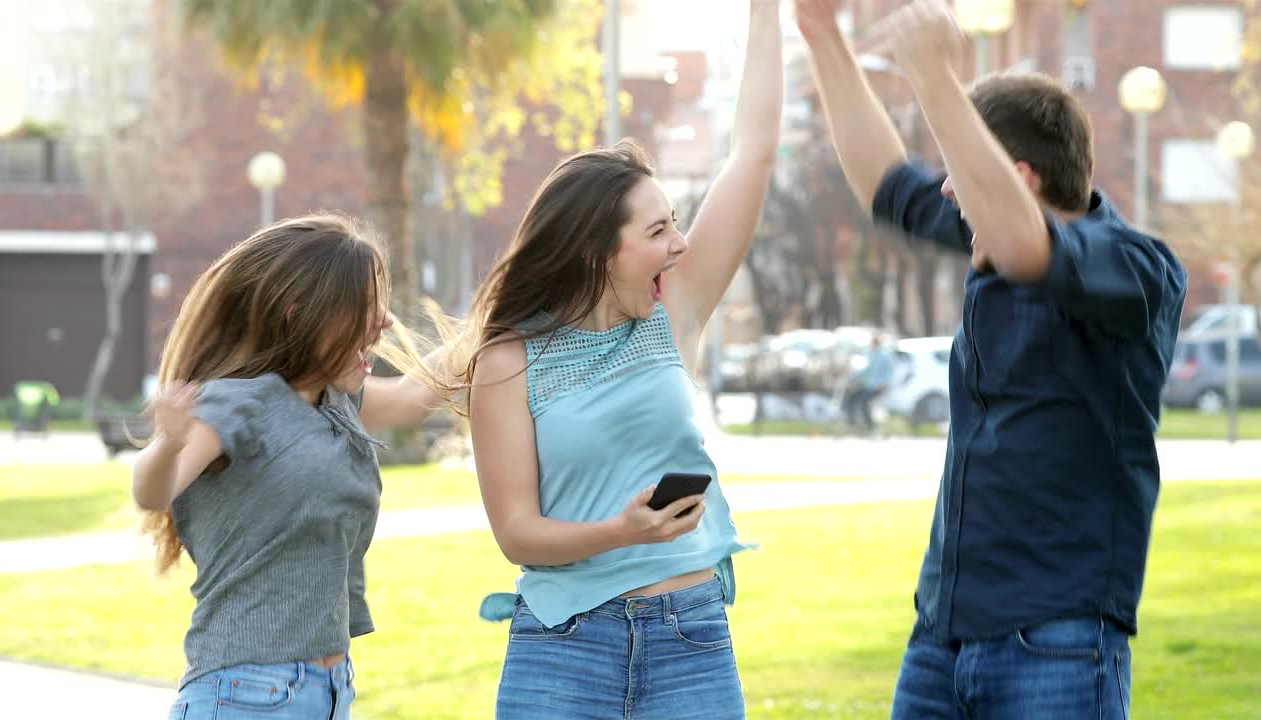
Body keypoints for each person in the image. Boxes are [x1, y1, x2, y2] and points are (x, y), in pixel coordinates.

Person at [796, 0, 1187, 717]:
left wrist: (935, 75)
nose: (946, 191)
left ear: (1022, 178)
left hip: (1058, 641)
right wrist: (822, 34)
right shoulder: (992, 246)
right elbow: (887, 186)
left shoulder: (1134, 268)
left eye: (959, 173)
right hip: (941, 637)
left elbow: (1025, 243)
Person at [455, 2, 781, 717]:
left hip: (689, 639)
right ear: (596, 252)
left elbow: (752, 154)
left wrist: (767, 11)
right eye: (659, 229)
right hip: (563, 648)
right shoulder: (507, 361)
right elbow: (518, 534)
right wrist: (618, 532)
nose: (681, 244)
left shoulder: (672, 313)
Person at [132, 213, 451, 720]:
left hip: (327, 691)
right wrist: (169, 442)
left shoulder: (334, 401)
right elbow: (153, 491)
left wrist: (508, 311)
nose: (386, 321)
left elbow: (416, 397)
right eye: (367, 305)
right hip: (248, 695)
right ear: (302, 313)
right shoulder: (237, 405)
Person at [842, 335, 894, 434]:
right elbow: (865, 370)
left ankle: (871, 427)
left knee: (864, 403)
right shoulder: (871, 355)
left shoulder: (884, 356)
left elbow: (889, 373)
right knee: (851, 399)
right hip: (867, 386)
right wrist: (851, 377)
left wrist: (883, 383)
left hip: (876, 387)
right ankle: (852, 424)